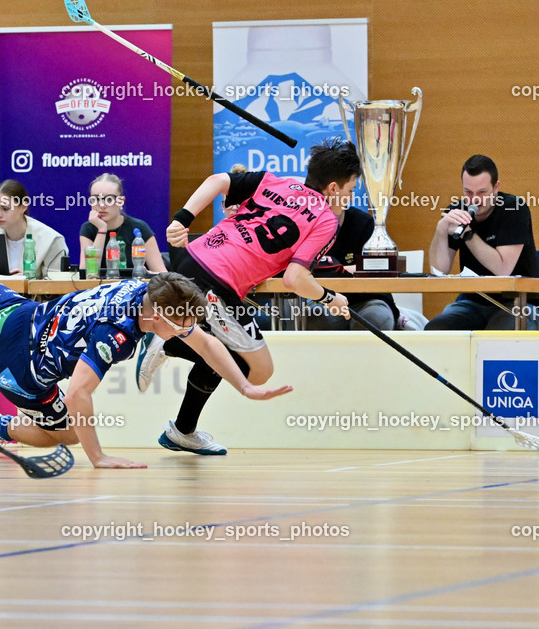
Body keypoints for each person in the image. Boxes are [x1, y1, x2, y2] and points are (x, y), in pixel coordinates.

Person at [0, 243, 293, 469]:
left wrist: (246, 385)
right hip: (24, 370)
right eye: (184, 323)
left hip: (21, 315)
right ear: (161, 319)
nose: (190, 330)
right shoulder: (115, 332)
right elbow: (78, 393)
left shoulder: (151, 290)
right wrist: (99, 457)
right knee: (70, 435)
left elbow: (207, 342)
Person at [136, 138, 361, 455]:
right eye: (350, 192)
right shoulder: (324, 219)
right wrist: (330, 298)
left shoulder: (274, 181)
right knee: (258, 371)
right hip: (217, 282)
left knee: (224, 351)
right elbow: (296, 279)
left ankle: (183, 429)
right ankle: (171, 341)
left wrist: (182, 218)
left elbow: (218, 180)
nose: (348, 200)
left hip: (190, 258)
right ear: (335, 188)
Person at [426, 154, 539, 330]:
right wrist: (440, 230)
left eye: (482, 192)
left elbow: (502, 270)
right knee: (436, 330)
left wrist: (468, 234)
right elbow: (438, 271)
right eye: (468, 192)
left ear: (495, 188)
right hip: (473, 303)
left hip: (518, 303)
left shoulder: (514, 209)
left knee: (499, 335)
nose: (474, 199)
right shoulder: (456, 211)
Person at [292, 204, 398, 331]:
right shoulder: (307, 225)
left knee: (374, 319)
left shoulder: (363, 222)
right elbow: (301, 272)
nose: (351, 197)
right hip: (330, 300)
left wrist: (334, 270)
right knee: (315, 319)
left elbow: (378, 267)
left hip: (370, 299)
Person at [79, 173, 167, 273]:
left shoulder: (139, 228)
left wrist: (147, 275)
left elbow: (163, 275)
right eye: (96, 199)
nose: (102, 205)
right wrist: (102, 230)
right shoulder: (88, 228)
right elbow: (87, 273)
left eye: (109, 199)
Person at [0, 179, 67, 277]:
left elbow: (57, 285)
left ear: (23, 207)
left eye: (5, 209)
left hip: (34, 293)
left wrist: (27, 282)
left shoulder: (51, 240)